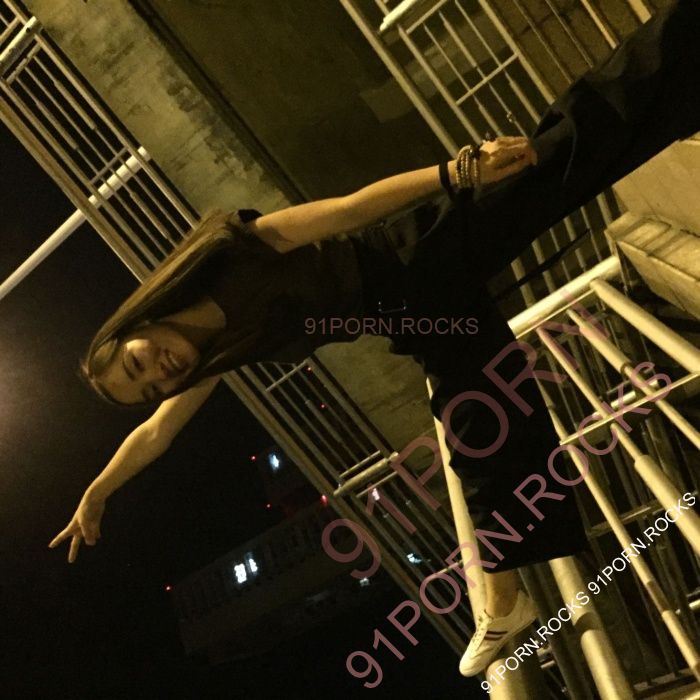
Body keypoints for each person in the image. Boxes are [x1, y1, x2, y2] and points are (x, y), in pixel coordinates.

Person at [48, 0, 700, 678]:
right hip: (416, 315)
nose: (159, 372)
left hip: (419, 252)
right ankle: (505, 602)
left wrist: (455, 173)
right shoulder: (218, 354)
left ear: (137, 323)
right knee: (482, 425)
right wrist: (99, 491)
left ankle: (684, 39)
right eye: (151, 385)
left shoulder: (225, 259)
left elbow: (345, 210)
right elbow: (156, 432)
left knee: (565, 150)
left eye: (138, 363)